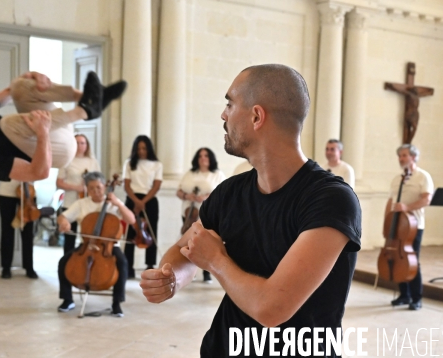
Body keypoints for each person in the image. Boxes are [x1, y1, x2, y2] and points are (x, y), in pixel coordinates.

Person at [140, 64, 361, 357]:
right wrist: (171, 279)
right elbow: (185, 250)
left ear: (257, 116)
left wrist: (216, 260)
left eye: (230, 104)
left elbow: (271, 309)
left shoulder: (331, 199)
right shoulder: (230, 192)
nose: (223, 114)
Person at [56, 172, 134, 317]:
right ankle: (67, 300)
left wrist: (117, 203)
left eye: (98, 187)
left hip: (109, 247)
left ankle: (116, 302)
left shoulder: (114, 203)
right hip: (86, 244)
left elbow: (131, 219)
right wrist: (64, 222)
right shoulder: (81, 204)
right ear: (86, 189)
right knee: (63, 262)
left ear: (104, 187)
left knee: (122, 263)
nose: (95, 191)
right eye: (91, 188)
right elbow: (62, 216)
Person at [386, 144, 434, 311]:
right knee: (399, 260)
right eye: (400, 156)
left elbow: (426, 200)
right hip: (397, 225)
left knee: (412, 261)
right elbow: (391, 202)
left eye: (404, 155)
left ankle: (416, 298)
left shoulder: (423, 177)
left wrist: (407, 207)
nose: (401, 159)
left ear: (413, 157)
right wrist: (387, 223)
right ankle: (404, 295)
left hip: (414, 226)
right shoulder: (397, 179)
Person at [176, 147, 225, 283]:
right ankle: (187, 271)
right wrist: (187, 195)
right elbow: (179, 191)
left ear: (211, 158)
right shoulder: (190, 174)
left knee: (206, 241)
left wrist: (205, 197)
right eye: (200, 156)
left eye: (206, 156)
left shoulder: (217, 174)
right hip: (189, 211)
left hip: (207, 214)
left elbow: (222, 194)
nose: (203, 158)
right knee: (188, 241)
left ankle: (206, 273)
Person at [123, 135, 163, 279]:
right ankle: (128, 266)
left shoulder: (157, 164)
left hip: (149, 200)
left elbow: (156, 185)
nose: (141, 151)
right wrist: (136, 201)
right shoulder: (129, 163)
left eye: (144, 148)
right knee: (130, 234)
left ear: (149, 149)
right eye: (138, 148)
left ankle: (150, 265)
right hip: (132, 199)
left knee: (151, 233)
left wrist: (143, 202)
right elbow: (126, 185)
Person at [56, 134, 101, 253]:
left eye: (83, 143)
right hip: (71, 201)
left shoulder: (92, 161)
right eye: (77, 143)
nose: (80, 146)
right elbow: (59, 182)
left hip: (89, 203)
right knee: (70, 237)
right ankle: (68, 264)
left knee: (90, 234)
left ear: (87, 145)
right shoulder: (67, 160)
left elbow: (99, 181)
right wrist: (77, 188)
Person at [0, 180, 37, 279]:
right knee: (7, 231)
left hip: (29, 191)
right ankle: (6, 268)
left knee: (28, 232)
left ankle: (29, 267)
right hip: (6, 192)